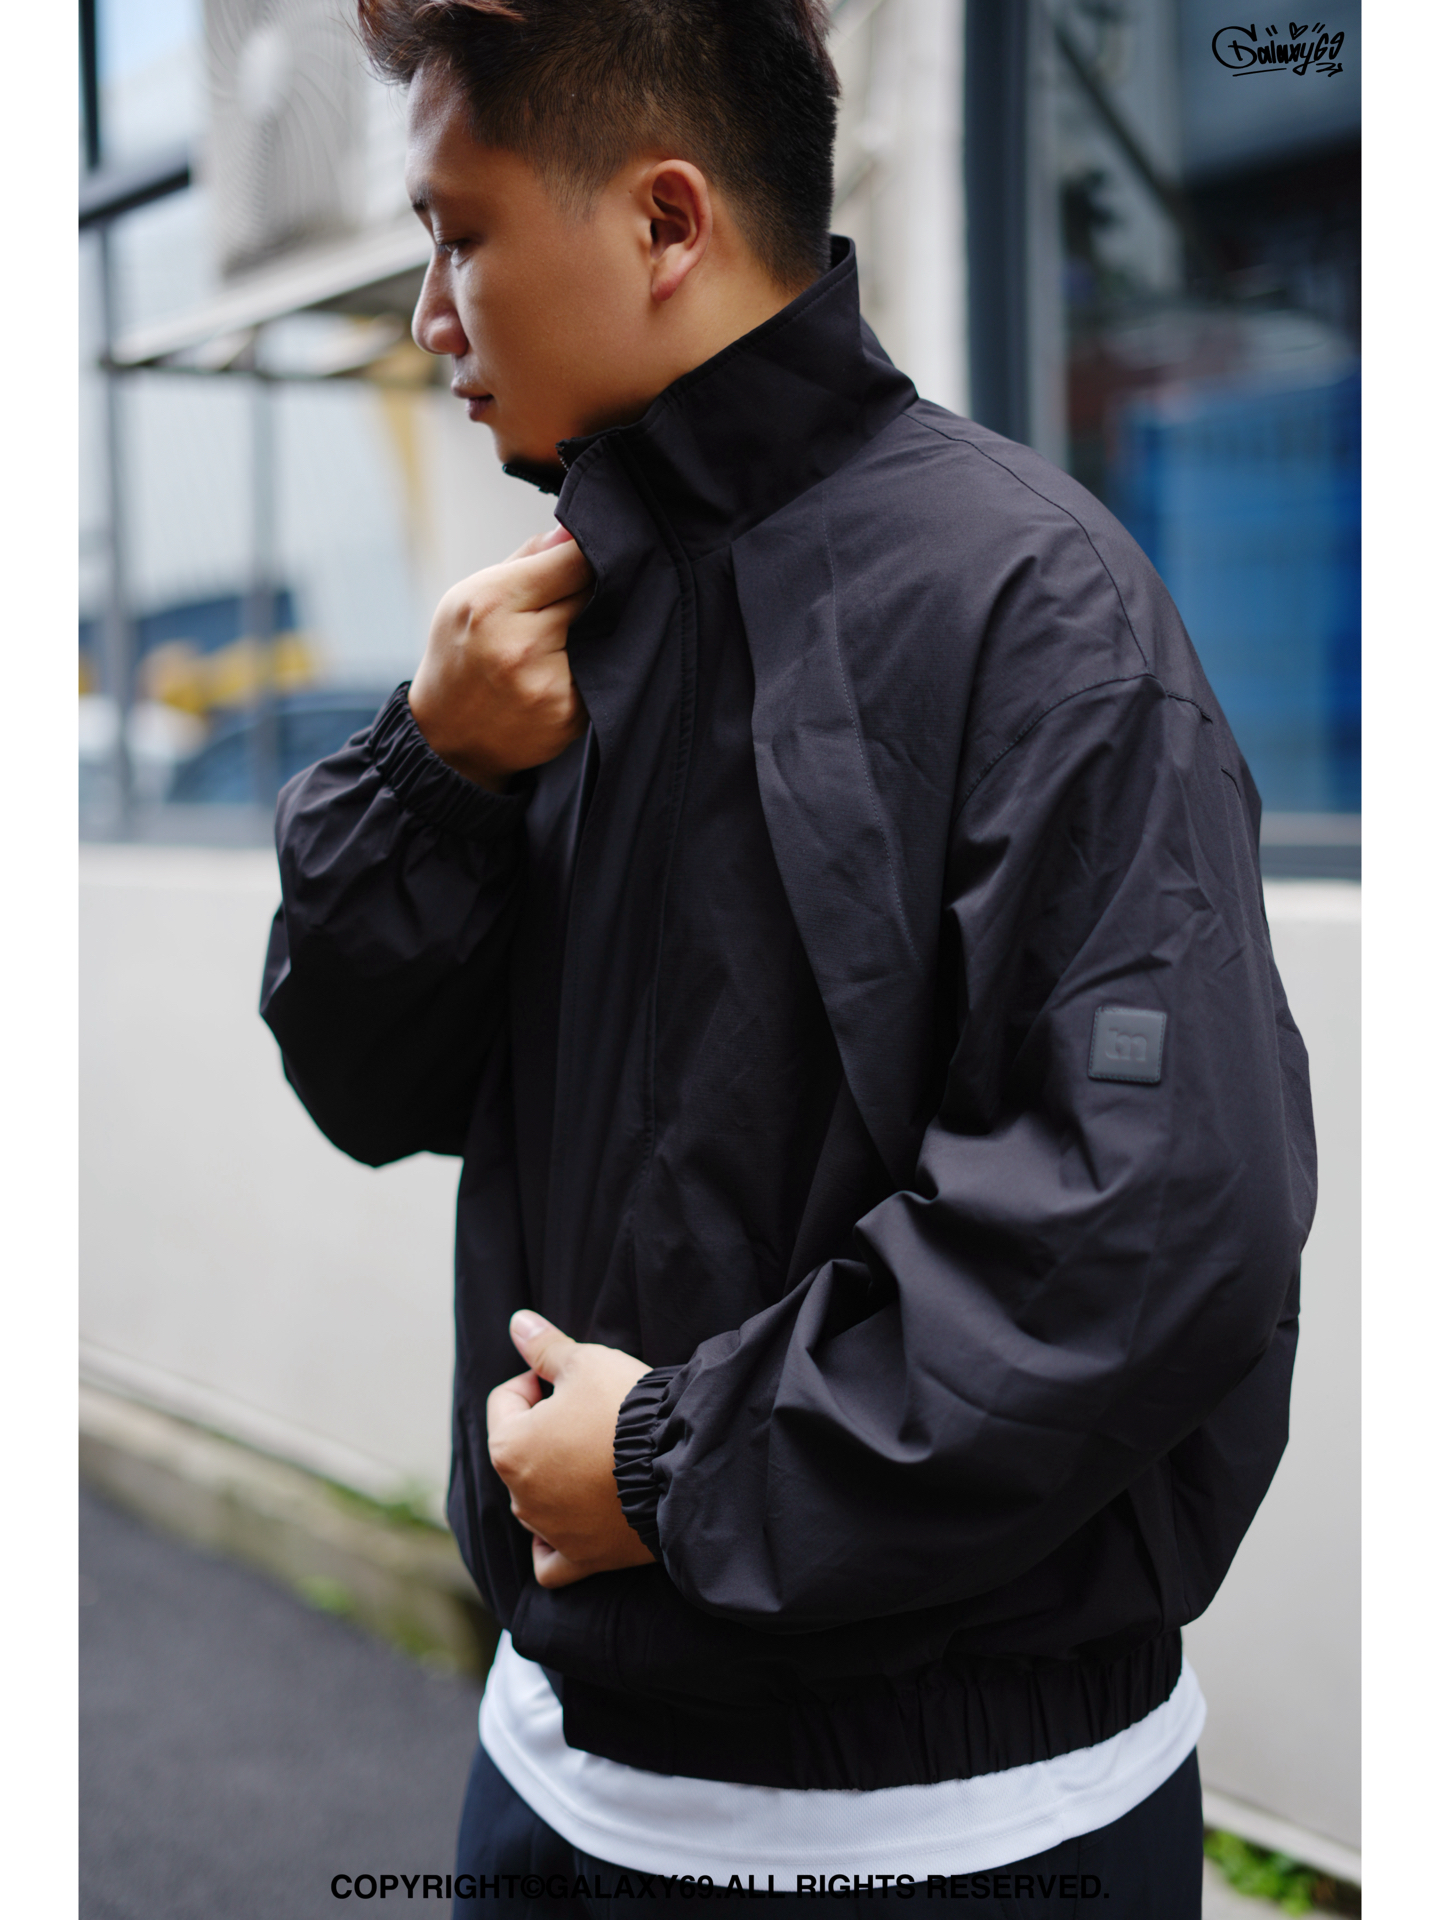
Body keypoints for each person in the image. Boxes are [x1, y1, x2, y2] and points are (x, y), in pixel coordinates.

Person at [260, 3, 1316, 1914]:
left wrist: (672, 1464)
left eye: (460, 234)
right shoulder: (545, 634)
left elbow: (1154, 1215)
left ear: (667, 221)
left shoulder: (1030, 604)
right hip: (552, 1774)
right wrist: (432, 776)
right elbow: (365, 1082)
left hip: (958, 1838)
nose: (429, 317)